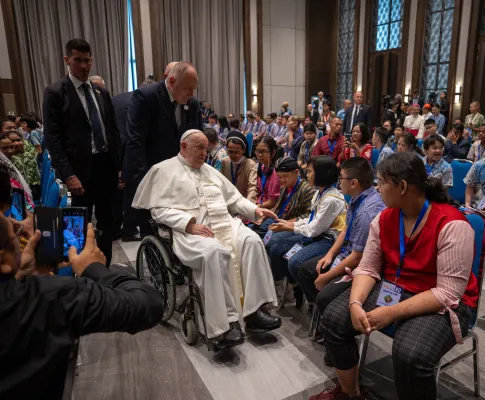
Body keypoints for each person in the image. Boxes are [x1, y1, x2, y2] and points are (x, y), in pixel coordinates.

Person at [310, 152, 477, 400]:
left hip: (441, 300)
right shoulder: (385, 217)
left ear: (402, 187)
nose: (377, 189)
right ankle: (350, 393)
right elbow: (367, 268)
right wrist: (355, 303)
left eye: (381, 183)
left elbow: (448, 293)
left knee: (410, 354)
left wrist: (390, 312)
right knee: (334, 317)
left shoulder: (452, 224)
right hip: (396, 287)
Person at [133, 129, 281, 346]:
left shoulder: (210, 170)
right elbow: (158, 211)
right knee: (215, 252)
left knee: (252, 241)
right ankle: (226, 323)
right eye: (199, 147)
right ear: (184, 147)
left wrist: (255, 211)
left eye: (206, 148)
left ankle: (255, 311)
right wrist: (188, 224)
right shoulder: (162, 170)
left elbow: (234, 200)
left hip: (224, 222)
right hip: (190, 230)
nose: (204, 152)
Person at [0, 214, 163, 399]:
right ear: (4, 261)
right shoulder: (52, 297)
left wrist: (20, 274)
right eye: (16, 233)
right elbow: (149, 303)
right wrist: (93, 268)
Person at [43, 39, 121, 265]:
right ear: (67, 60)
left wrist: (119, 167)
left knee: (107, 224)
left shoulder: (100, 93)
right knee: (77, 225)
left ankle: (104, 268)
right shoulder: (56, 92)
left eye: (87, 61)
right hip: (77, 172)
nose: (84, 66)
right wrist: (67, 174)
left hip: (105, 168)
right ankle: (77, 273)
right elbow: (52, 139)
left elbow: (112, 131)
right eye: (78, 60)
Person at [296, 157, 385, 332]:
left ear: (354, 183)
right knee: (305, 269)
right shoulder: (357, 198)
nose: (339, 182)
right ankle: (321, 313)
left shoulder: (368, 212)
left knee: (324, 293)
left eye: (341, 178)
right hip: (346, 253)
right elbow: (345, 230)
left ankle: (329, 324)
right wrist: (329, 255)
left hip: (360, 265)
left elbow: (357, 258)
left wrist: (327, 277)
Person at [123, 61, 200, 238]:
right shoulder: (146, 97)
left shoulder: (192, 104)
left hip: (181, 179)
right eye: (187, 88)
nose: (191, 93)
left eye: (194, 88)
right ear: (171, 82)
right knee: (153, 232)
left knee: (181, 230)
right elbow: (135, 142)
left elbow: (196, 139)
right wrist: (145, 182)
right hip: (151, 175)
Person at [266, 156, 346, 307]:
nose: (307, 175)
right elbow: (311, 219)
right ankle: (293, 284)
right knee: (277, 248)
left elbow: (315, 229)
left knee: (295, 263)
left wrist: (289, 227)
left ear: (321, 174)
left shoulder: (332, 199)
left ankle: (316, 301)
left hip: (328, 240)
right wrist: (289, 222)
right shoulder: (319, 193)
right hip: (317, 234)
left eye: (310, 172)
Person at [252, 156, 316, 238]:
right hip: (279, 219)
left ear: (296, 172)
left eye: (285, 176)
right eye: (279, 177)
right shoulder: (284, 187)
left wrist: (288, 223)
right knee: (254, 228)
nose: (282, 180)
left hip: (294, 225)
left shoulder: (308, 190)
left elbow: (309, 215)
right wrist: (266, 216)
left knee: (272, 240)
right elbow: (278, 208)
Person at [221, 131, 258, 202]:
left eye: (237, 152)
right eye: (230, 152)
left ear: (243, 150)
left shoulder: (250, 165)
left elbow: (253, 188)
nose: (233, 155)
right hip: (227, 200)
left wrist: (248, 207)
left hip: (244, 201)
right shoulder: (225, 161)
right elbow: (221, 183)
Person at [6, 131, 40, 200]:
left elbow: (25, 183)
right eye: (12, 141)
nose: (17, 143)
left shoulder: (26, 156)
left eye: (19, 140)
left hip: (30, 190)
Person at [255, 136, 280, 209]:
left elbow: (272, 203)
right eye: (257, 151)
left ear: (273, 153)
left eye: (263, 151)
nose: (260, 155)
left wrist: (254, 207)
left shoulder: (276, 172)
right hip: (259, 204)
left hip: (269, 209)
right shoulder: (262, 168)